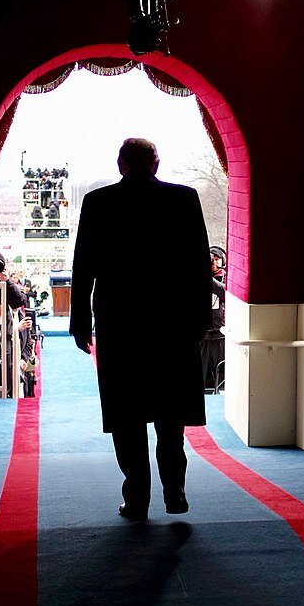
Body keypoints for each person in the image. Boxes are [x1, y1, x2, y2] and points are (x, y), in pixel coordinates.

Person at [71, 137, 213, 520]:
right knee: (170, 412)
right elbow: (201, 264)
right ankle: (175, 490)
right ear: (156, 164)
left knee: (126, 413)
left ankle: (136, 497)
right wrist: (203, 318)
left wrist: (80, 321)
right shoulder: (184, 199)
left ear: (121, 164)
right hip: (172, 323)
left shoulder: (98, 203)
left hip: (120, 324)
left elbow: (83, 267)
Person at [200, 246, 227, 391]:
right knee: (203, 377)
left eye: (216, 259)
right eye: (211, 259)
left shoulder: (226, 278)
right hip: (204, 336)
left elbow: (225, 292)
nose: (213, 263)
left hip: (220, 336)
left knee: (222, 377)